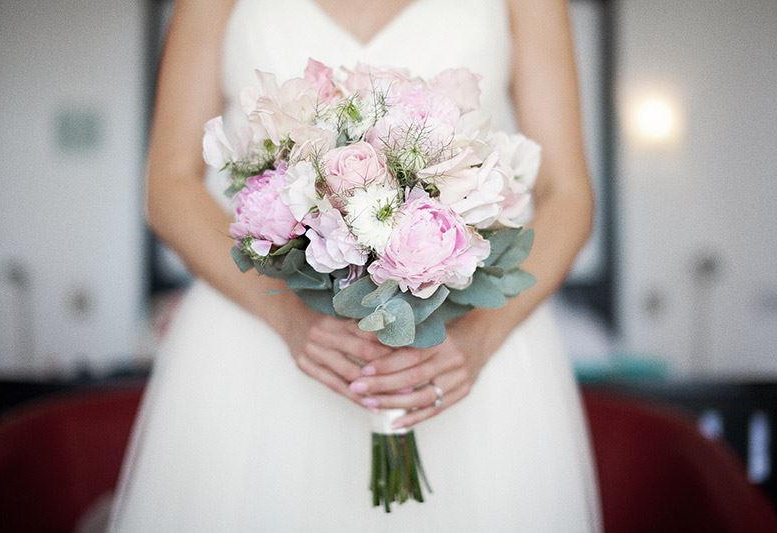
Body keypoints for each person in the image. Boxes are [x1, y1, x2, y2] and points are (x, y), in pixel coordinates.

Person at [109, 0, 601, 530]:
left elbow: (567, 193)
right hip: (257, 341)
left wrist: (480, 335)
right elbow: (168, 186)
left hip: (461, 350)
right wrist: (286, 317)